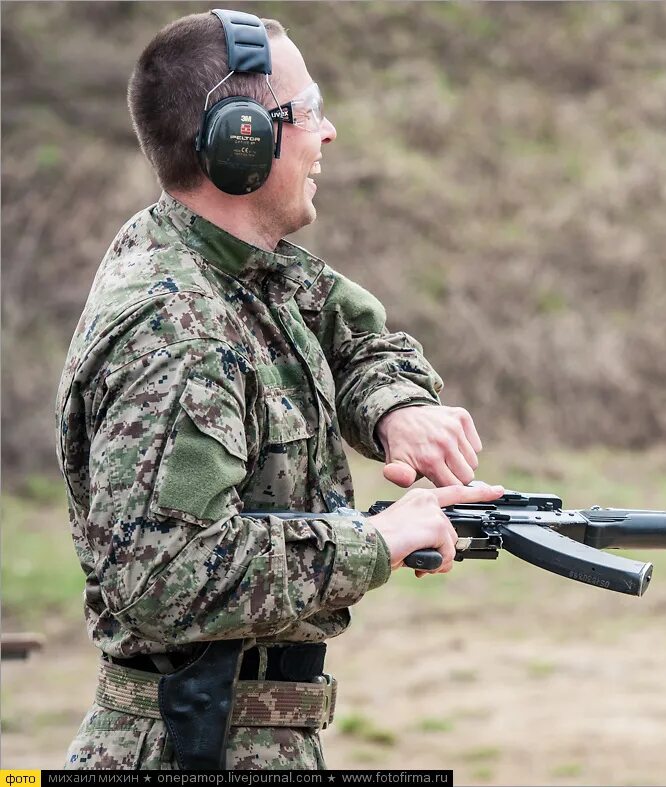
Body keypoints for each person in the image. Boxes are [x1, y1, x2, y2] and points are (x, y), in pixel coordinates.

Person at [54, 9, 499, 770]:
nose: (328, 134)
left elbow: (350, 332)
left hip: (231, 736)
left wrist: (397, 406)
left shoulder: (223, 265)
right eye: (309, 110)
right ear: (240, 140)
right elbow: (164, 575)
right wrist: (378, 540)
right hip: (190, 745)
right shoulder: (178, 333)